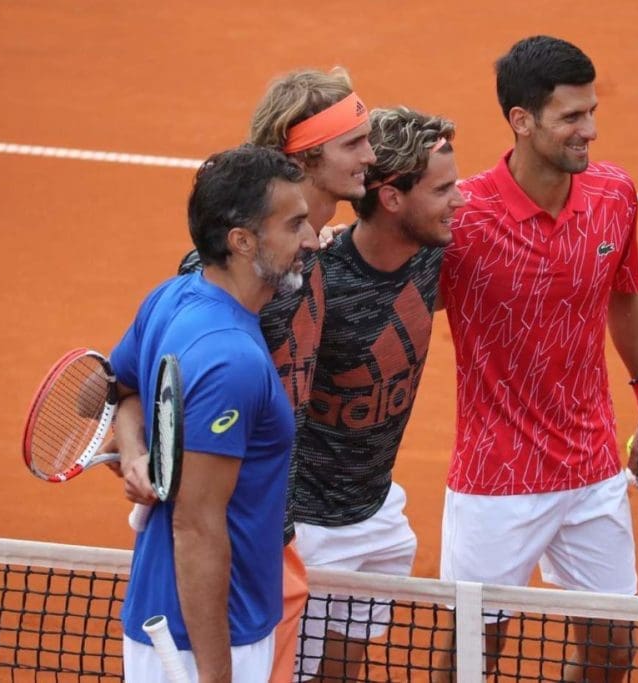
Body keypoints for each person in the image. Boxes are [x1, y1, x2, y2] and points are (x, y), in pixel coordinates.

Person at [435, 36, 638, 682]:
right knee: (467, 660)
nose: (590, 130)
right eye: (572, 117)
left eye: (592, 112)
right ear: (522, 120)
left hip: (592, 468)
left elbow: (625, 299)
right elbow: (391, 301)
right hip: (493, 482)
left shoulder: (614, 195)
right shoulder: (459, 218)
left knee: (611, 655)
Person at [173, 67, 376, 682]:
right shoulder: (239, 270)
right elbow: (162, 371)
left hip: (278, 526)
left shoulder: (307, 250)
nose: (371, 154)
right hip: (237, 539)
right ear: (306, 157)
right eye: (354, 143)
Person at [111, 145, 318, 682]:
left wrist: (134, 454)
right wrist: (217, 674)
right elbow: (197, 527)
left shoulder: (176, 296)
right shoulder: (232, 360)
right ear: (243, 241)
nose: (311, 239)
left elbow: (120, 389)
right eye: (295, 224)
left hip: (176, 626)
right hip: (204, 640)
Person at [293, 106, 464, 682]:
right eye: (442, 189)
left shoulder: (433, 256)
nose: (458, 201)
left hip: (377, 514)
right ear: (392, 199)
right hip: (305, 528)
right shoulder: (316, 285)